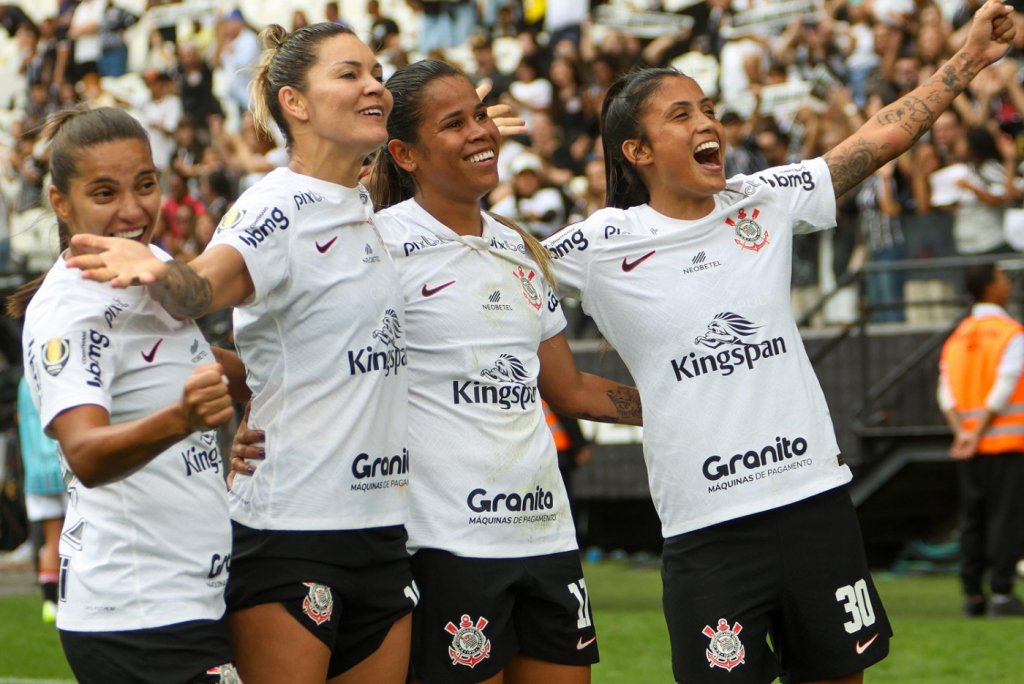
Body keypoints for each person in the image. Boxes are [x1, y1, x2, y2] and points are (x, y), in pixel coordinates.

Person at [541, 2, 1016, 682]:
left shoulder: (761, 198)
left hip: (813, 503)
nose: (706, 123)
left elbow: (880, 138)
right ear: (637, 152)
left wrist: (968, 57)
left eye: (707, 108)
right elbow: (486, 281)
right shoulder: (595, 246)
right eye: (681, 115)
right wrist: (657, 404)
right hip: (707, 531)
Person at [235, 59, 643, 684]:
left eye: (481, 116)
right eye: (454, 123)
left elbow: (570, 389)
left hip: (546, 537)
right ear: (404, 153)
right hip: (446, 542)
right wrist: (245, 413)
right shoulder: (377, 242)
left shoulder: (520, 247)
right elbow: (305, 347)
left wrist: (684, 401)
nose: (481, 131)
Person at [67, 23, 415, 684]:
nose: (374, 84)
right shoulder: (276, 206)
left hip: (383, 527)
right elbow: (200, 290)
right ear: (296, 104)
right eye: (349, 73)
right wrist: (151, 262)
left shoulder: (364, 205)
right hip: (291, 533)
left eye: (376, 71)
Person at [9, 106, 245, 683]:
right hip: (136, 616)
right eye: (105, 192)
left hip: (198, 595)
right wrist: (181, 418)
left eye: (145, 184)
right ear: (60, 202)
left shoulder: (154, 265)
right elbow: (86, 454)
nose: (133, 209)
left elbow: (195, 366)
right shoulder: (68, 312)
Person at [938, 263, 1024, 618]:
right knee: (1006, 518)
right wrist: (978, 433)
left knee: (972, 519)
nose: (1007, 282)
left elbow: (946, 395)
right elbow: (1004, 389)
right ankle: (1002, 593)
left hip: (968, 448)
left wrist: (963, 434)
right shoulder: (1011, 333)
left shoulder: (957, 336)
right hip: (1004, 445)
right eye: (1003, 277)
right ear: (991, 287)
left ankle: (972, 595)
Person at [17, 376, 65, 623]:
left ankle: (50, 602)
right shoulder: (53, 373)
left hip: (35, 472)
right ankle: (72, 597)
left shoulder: (23, 384)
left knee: (51, 540)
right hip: (63, 466)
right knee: (76, 539)